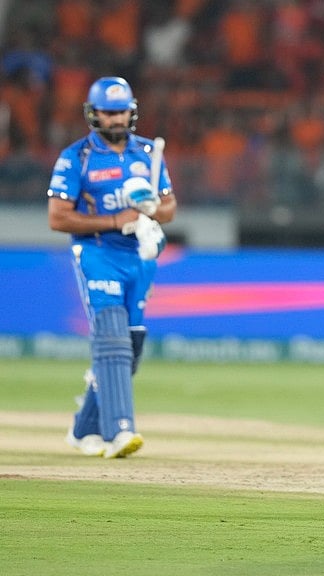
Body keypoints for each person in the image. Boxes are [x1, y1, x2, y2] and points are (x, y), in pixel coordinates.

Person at [48, 76, 175, 459]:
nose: (116, 119)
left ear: (131, 112)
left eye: (121, 112)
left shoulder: (150, 153)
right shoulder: (77, 158)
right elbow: (58, 218)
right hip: (97, 254)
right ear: (93, 114)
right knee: (113, 338)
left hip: (138, 257)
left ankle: (82, 428)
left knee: (131, 345)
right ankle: (120, 431)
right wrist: (116, 220)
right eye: (108, 112)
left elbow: (168, 206)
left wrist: (152, 212)